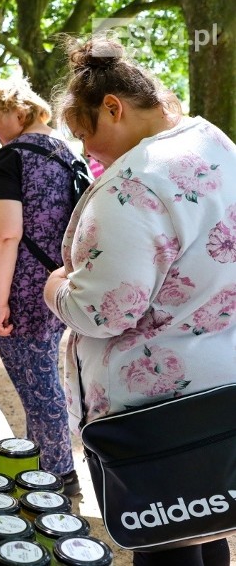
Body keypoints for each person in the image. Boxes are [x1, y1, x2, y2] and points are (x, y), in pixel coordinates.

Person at [45, 36, 236, 566]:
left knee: (164, 535)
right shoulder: (213, 143)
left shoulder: (134, 184)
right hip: (218, 381)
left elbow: (106, 311)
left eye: (87, 135)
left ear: (115, 107)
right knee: (208, 517)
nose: (90, 153)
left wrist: (57, 286)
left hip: (154, 402)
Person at [0, 75, 79, 494]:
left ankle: (58, 474)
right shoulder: (65, 152)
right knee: (41, 381)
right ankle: (43, 462)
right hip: (54, 285)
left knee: (39, 387)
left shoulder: (12, 158)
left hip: (22, 292)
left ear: (18, 113)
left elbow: (5, 234)